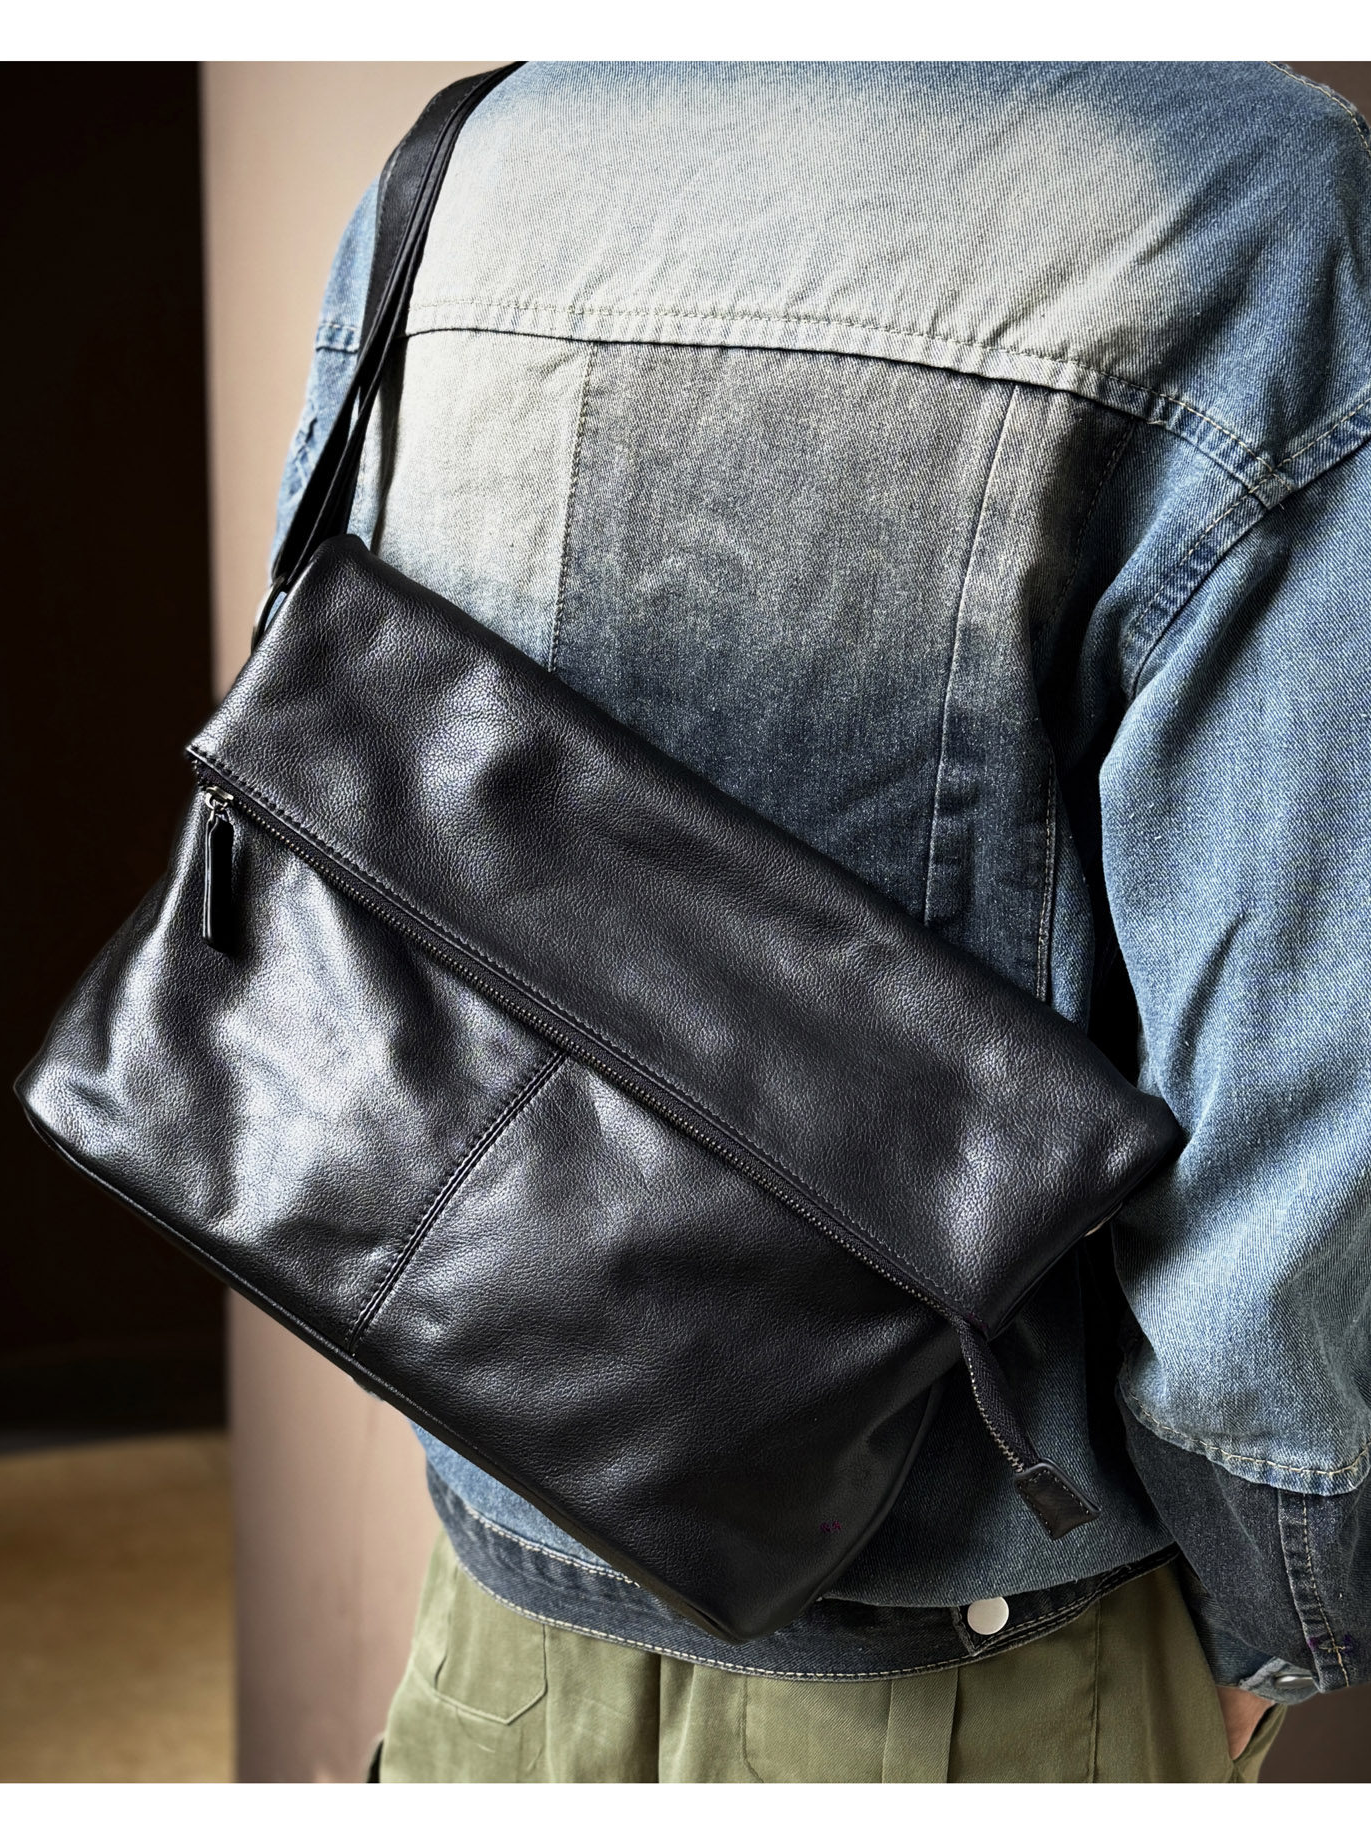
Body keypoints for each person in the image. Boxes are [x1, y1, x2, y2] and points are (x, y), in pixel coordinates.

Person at [272, 61, 1371, 1782]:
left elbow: (342, 787)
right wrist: (1277, 1606)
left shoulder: (474, 148)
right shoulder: (1243, 194)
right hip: (985, 1676)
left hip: (494, 1625)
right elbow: (1291, 1034)